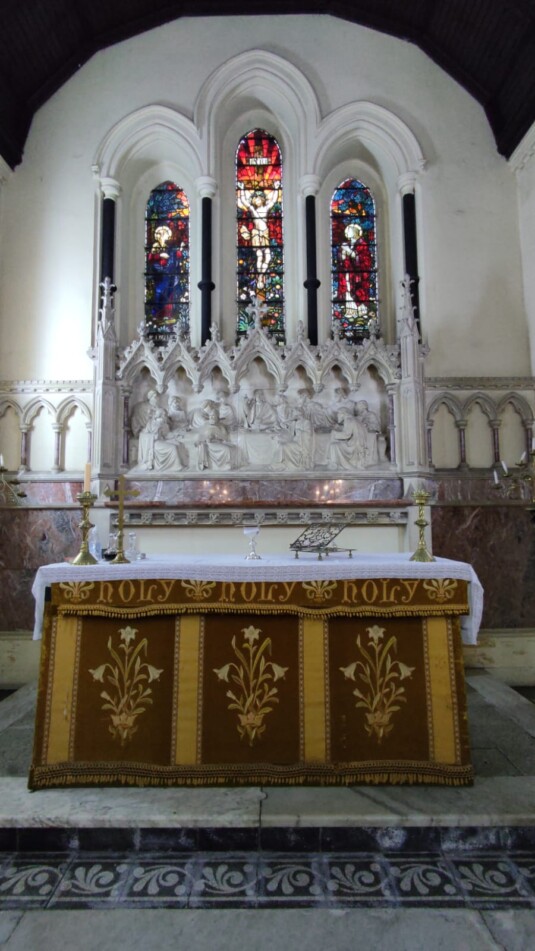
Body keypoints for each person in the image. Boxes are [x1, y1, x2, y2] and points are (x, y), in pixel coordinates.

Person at [237, 183, 280, 291]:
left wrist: (276, 188)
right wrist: (242, 189)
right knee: (260, 256)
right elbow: (244, 201)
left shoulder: (266, 208)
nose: (257, 200)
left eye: (259, 198)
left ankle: (261, 275)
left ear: (263, 200)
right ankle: (260, 278)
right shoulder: (253, 209)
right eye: (255, 199)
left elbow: (274, 200)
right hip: (256, 234)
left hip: (265, 234)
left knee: (268, 258)